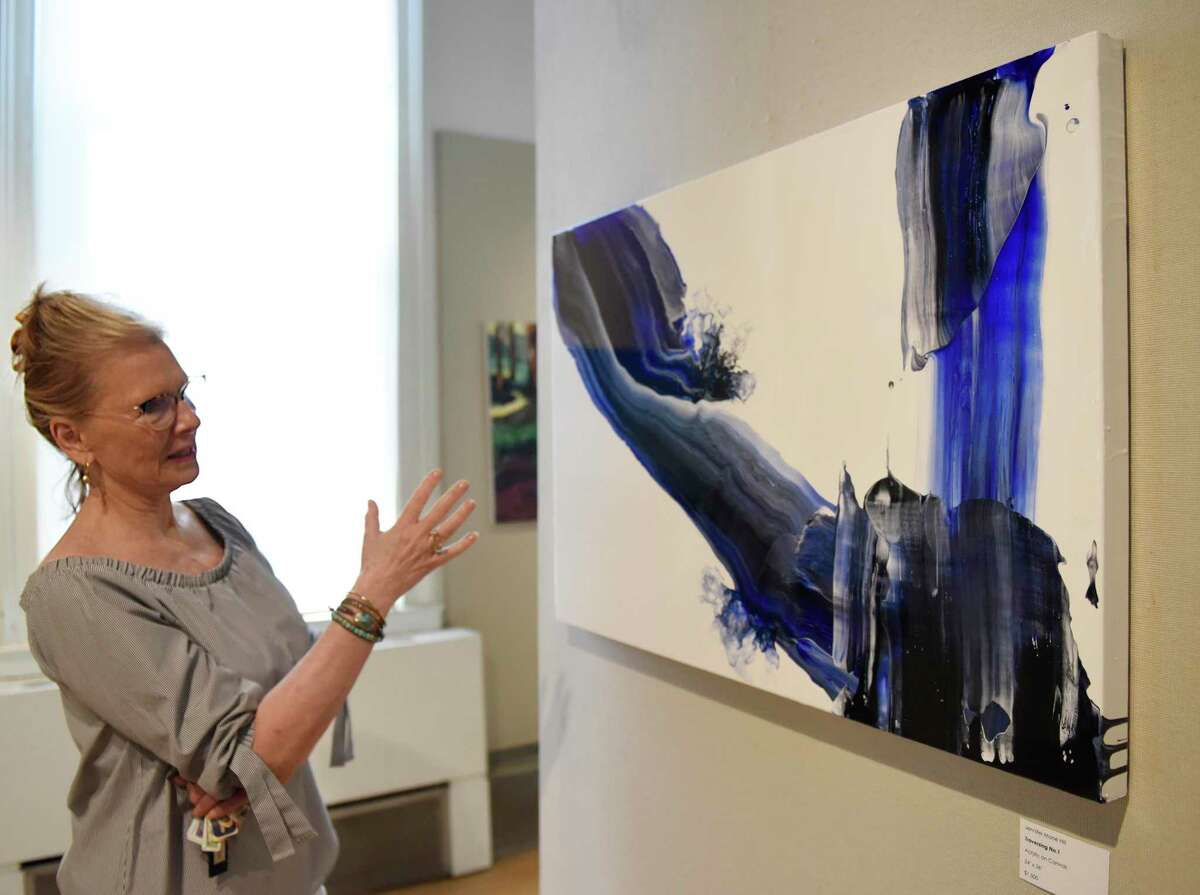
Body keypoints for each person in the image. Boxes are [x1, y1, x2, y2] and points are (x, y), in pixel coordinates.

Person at [9, 285, 479, 893]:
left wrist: (246, 759)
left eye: (183, 392)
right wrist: (375, 591)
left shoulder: (216, 524)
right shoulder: (74, 594)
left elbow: (289, 695)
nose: (189, 417)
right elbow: (253, 752)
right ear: (72, 437)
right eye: (151, 406)